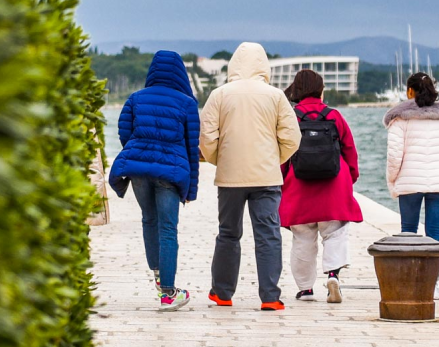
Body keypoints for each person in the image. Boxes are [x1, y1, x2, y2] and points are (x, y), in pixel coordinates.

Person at [199, 42, 301, 311]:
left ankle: (222, 293)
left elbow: (206, 139)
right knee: (268, 235)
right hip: (266, 177)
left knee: (228, 234)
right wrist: (273, 160)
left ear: (233, 64)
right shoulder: (276, 96)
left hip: (230, 178)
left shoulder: (219, 94)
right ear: (263, 65)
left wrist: (219, 161)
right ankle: (270, 297)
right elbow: (292, 138)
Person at [108, 50, 201, 310]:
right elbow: (191, 148)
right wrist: (190, 189)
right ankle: (169, 293)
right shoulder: (187, 103)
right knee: (168, 228)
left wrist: (140, 154)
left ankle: (159, 278)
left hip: (139, 172)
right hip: (170, 173)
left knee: (149, 220)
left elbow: (124, 131)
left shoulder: (136, 98)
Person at [279, 69, 362, 303]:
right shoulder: (334, 115)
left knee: (303, 238)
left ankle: (305, 289)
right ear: (320, 89)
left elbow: (283, 154)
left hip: (299, 187)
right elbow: (350, 151)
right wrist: (350, 178)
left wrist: (282, 182)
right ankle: (333, 275)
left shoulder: (290, 117)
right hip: (333, 185)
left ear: (297, 89)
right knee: (335, 233)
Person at [384, 72, 439, 297]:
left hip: (409, 183)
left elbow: (394, 156)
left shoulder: (400, 120)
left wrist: (393, 180)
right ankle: (433, 284)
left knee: (408, 233)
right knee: (434, 235)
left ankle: (409, 280)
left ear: (410, 91)